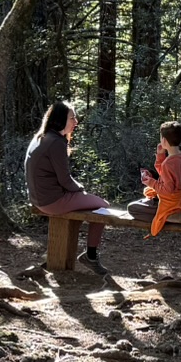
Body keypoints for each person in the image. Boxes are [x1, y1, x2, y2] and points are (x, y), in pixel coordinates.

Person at [25, 100, 110, 272]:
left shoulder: (42, 137)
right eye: (72, 118)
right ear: (60, 119)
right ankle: (90, 256)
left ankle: (78, 254)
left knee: (86, 205)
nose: (76, 122)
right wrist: (81, 191)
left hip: (38, 198)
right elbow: (65, 180)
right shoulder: (56, 143)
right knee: (103, 206)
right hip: (52, 201)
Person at [128, 120, 181, 235]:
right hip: (179, 200)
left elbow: (167, 190)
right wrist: (160, 155)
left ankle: (167, 216)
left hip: (168, 202)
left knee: (132, 208)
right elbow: (166, 175)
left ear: (164, 140)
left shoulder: (168, 163)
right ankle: (174, 213)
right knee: (147, 194)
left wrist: (151, 182)